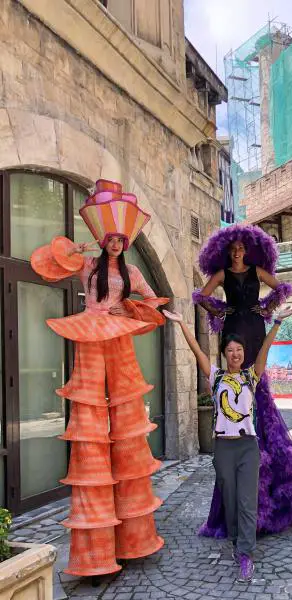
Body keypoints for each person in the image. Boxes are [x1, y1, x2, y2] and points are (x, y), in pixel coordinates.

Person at [31, 179, 169, 578]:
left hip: (117, 335)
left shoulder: (132, 271)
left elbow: (149, 298)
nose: (115, 245)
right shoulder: (90, 265)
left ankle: (133, 537)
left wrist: (127, 311)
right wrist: (72, 250)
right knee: (91, 417)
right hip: (91, 332)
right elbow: (48, 264)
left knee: (126, 418)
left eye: (120, 241)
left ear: (124, 244)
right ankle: (96, 545)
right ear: (104, 239)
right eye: (110, 239)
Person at [163, 304, 292, 581]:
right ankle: (237, 540)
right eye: (230, 350)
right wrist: (180, 324)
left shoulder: (251, 376)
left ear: (243, 354)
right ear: (224, 354)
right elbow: (197, 351)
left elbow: (265, 352)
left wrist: (278, 323)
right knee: (232, 499)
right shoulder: (216, 378)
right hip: (223, 449)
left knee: (247, 501)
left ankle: (246, 554)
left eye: (239, 350)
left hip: (248, 447)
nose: (235, 355)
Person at [193, 224, 292, 538]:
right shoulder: (221, 274)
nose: (237, 253)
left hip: (256, 327)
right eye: (233, 249)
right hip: (233, 327)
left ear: (248, 250)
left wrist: (268, 306)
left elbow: (283, 289)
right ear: (227, 251)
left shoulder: (257, 270)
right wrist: (219, 309)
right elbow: (199, 297)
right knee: (237, 381)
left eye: (242, 249)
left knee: (257, 386)